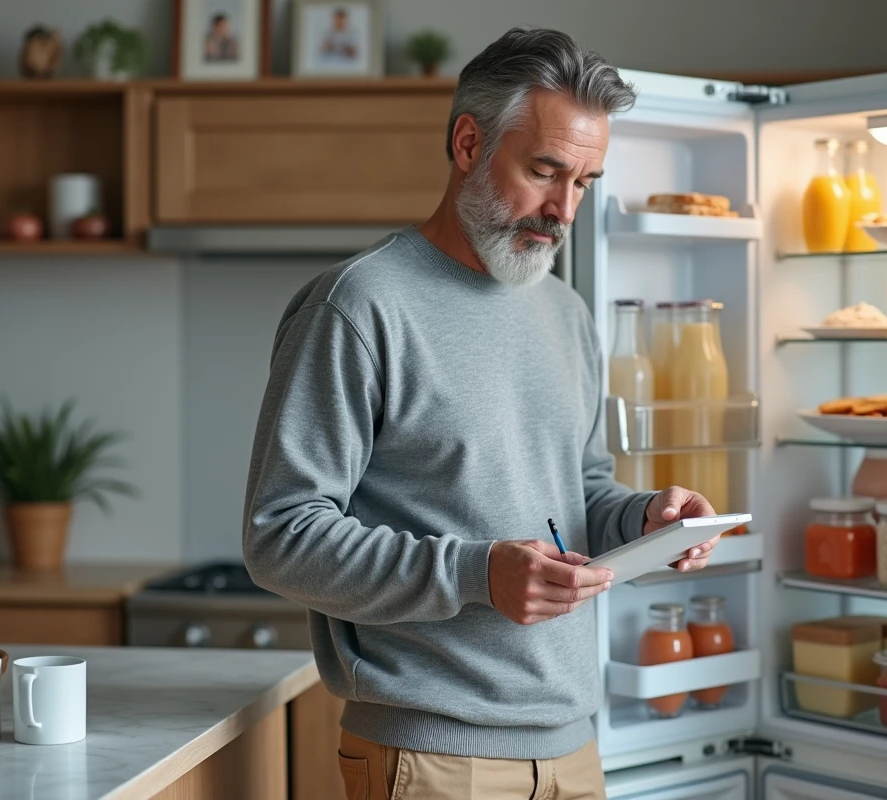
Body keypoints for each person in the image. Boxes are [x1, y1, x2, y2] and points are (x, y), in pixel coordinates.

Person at [243, 27, 721, 800]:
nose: (564, 209)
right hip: (430, 760)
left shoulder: (564, 312)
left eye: (586, 183)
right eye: (544, 171)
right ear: (468, 142)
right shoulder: (359, 307)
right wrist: (477, 573)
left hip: (573, 751)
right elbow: (280, 536)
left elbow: (580, 493)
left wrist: (644, 523)